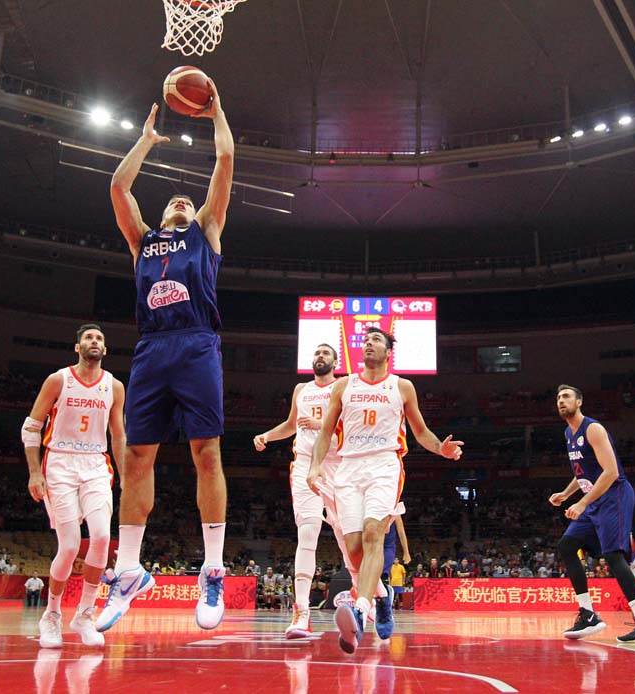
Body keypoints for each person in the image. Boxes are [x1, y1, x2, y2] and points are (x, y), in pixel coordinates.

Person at [97, 82, 235, 634]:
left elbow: (225, 157)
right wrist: (146, 141)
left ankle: (214, 570)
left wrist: (217, 112)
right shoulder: (142, 242)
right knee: (135, 459)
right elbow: (117, 186)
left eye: (187, 199)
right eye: (173, 200)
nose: (181, 201)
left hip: (197, 342)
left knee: (206, 453)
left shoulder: (206, 231)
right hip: (152, 348)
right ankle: (128, 572)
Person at [307, 326, 463, 654]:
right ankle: (383, 595)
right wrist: (315, 465)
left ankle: (361, 610)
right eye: (365, 340)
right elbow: (324, 433)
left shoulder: (402, 387)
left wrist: (441, 449)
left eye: (376, 340)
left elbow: (420, 432)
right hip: (348, 468)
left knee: (372, 534)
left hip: (385, 465)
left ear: (388, 351)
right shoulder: (343, 385)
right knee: (353, 547)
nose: (368, 344)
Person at [23, 324, 125, 648]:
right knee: (68, 547)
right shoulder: (58, 380)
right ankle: (51, 615)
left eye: (99, 339)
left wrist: (126, 477)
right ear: (77, 347)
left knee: (102, 537)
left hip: (96, 463)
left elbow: (119, 436)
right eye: (88, 338)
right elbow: (31, 428)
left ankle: (84, 614)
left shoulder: (114, 386)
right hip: (59, 464)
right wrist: (34, 473)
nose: (94, 342)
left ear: (105, 350)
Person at [253, 343, 352, 638]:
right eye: (316, 353)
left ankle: (369, 594)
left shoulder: (344, 387)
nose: (319, 356)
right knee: (306, 534)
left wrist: (322, 424)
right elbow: (290, 424)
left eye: (325, 354)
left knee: (347, 535)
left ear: (335, 361)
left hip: (337, 464)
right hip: (305, 467)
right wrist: (266, 436)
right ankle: (301, 613)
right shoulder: (301, 389)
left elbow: (351, 425)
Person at [549, 385, 635, 643]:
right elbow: (583, 473)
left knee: (612, 555)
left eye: (566, 397)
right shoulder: (568, 432)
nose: (561, 401)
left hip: (615, 495)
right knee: (567, 546)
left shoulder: (593, 429)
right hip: (595, 499)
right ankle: (588, 614)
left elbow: (609, 472)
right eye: (558, 398)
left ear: (579, 401)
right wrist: (566, 494)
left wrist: (582, 503)